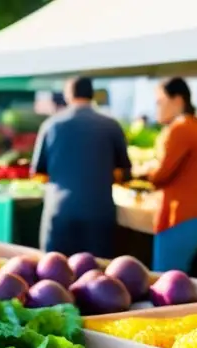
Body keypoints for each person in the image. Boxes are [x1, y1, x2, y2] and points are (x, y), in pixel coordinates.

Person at [32, 76, 132, 258]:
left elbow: (39, 174)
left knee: (55, 273)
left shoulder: (51, 125)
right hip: (99, 212)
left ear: (68, 95)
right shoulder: (111, 126)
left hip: (60, 211)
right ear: (92, 94)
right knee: (98, 277)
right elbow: (122, 173)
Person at [146, 77, 197, 273]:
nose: (157, 107)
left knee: (166, 280)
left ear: (177, 101)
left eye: (160, 101)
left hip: (181, 214)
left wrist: (143, 171)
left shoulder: (180, 129)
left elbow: (161, 175)